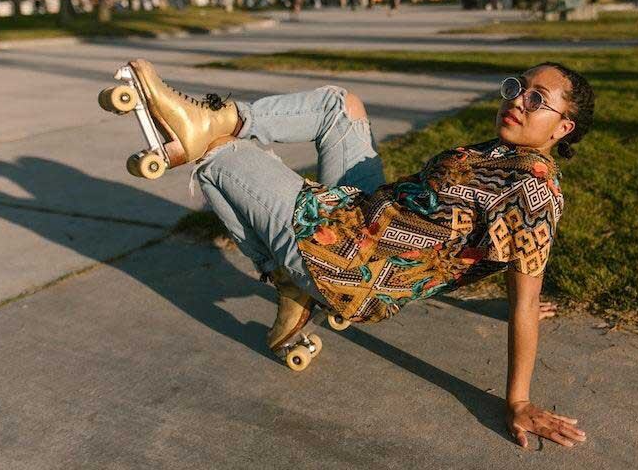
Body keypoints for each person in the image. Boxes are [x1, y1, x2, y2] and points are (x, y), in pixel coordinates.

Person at [120, 59, 594, 449]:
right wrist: (495, 302)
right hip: (359, 215)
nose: (516, 100)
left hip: (344, 263)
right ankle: (221, 131)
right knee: (340, 105)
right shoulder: (503, 154)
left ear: (563, 127)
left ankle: (273, 248)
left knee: (221, 158)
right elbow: (483, 253)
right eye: (517, 87)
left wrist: (518, 402)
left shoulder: (532, 193)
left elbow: (525, 289)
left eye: (536, 99)